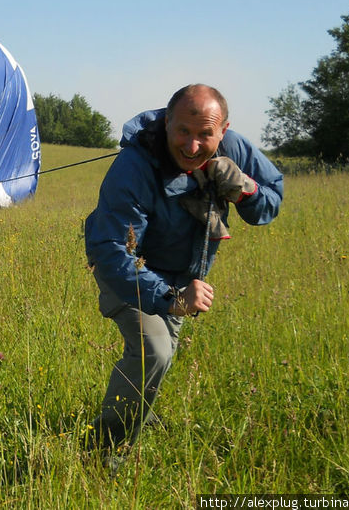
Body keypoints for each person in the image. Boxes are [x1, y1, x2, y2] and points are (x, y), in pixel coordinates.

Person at [84, 84, 283, 454]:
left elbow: (273, 197)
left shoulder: (234, 147)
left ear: (223, 129)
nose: (193, 147)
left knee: (163, 355)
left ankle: (138, 413)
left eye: (205, 135)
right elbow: (111, 250)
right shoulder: (134, 166)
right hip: (126, 269)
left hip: (183, 274)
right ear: (165, 123)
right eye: (183, 133)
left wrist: (246, 191)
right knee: (154, 351)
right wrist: (170, 298)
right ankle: (102, 448)